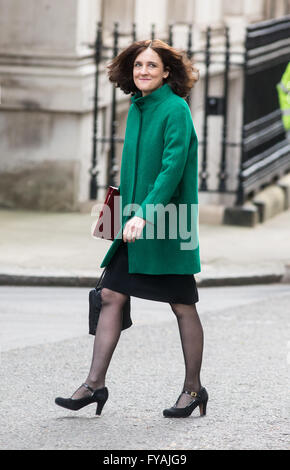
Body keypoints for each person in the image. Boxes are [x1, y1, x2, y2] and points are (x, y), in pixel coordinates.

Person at [55, 39, 208, 418]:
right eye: (139, 65)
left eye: (152, 66)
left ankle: (193, 390)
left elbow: (170, 170)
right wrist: (118, 214)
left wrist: (145, 215)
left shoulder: (176, 109)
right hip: (135, 224)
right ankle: (94, 385)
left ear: (167, 72)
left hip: (167, 226)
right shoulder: (137, 108)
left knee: (182, 304)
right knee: (110, 294)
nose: (144, 72)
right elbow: (133, 173)